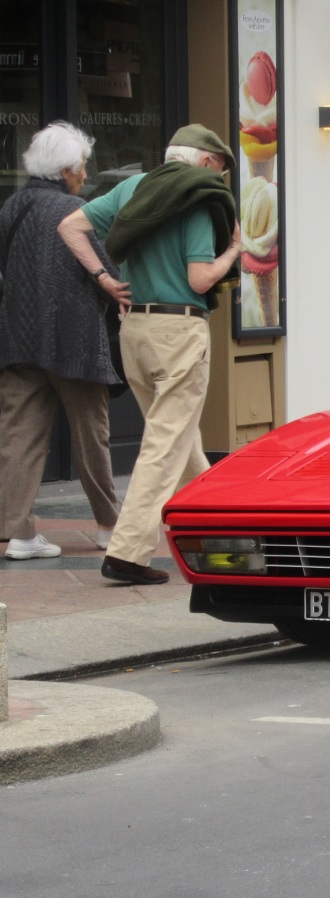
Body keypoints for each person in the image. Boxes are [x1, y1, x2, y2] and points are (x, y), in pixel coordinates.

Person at [59, 124, 243, 585]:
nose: (218, 183)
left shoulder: (133, 188)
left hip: (134, 328)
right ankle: (128, 552)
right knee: (165, 444)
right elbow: (201, 280)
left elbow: (71, 226)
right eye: (218, 171)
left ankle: (222, 536)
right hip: (178, 330)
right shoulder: (197, 202)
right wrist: (234, 251)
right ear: (203, 163)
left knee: (182, 445)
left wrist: (104, 278)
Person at [0, 122, 129, 561]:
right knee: (91, 435)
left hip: (19, 337)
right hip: (74, 340)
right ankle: (109, 525)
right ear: (68, 169)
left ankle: (18, 532)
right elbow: (105, 270)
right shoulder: (75, 211)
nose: (86, 175)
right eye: (84, 167)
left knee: (18, 434)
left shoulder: (12, 207)